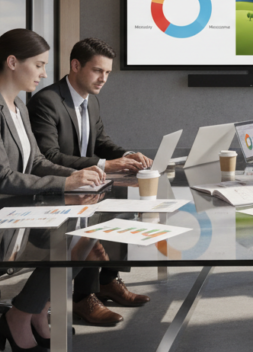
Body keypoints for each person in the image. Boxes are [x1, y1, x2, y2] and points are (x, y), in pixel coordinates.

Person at [0, 29, 105, 351]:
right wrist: (67, 184)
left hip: (9, 210)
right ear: (13, 62)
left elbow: (37, 161)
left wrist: (81, 174)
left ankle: (33, 308)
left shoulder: (17, 106)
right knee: (70, 236)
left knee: (86, 231)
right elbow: (1, 177)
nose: (45, 74)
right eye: (39, 65)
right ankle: (20, 316)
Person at [28, 37, 152, 323]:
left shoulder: (90, 101)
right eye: (98, 71)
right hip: (56, 188)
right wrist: (106, 164)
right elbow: (49, 156)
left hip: (85, 185)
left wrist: (128, 155)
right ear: (75, 66)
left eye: (107, 73)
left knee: (123, 202)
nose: (103, 79)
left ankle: (108, 279)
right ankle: (83, 297)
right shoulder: (47, 102)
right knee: (98, 213)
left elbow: (101, 142)